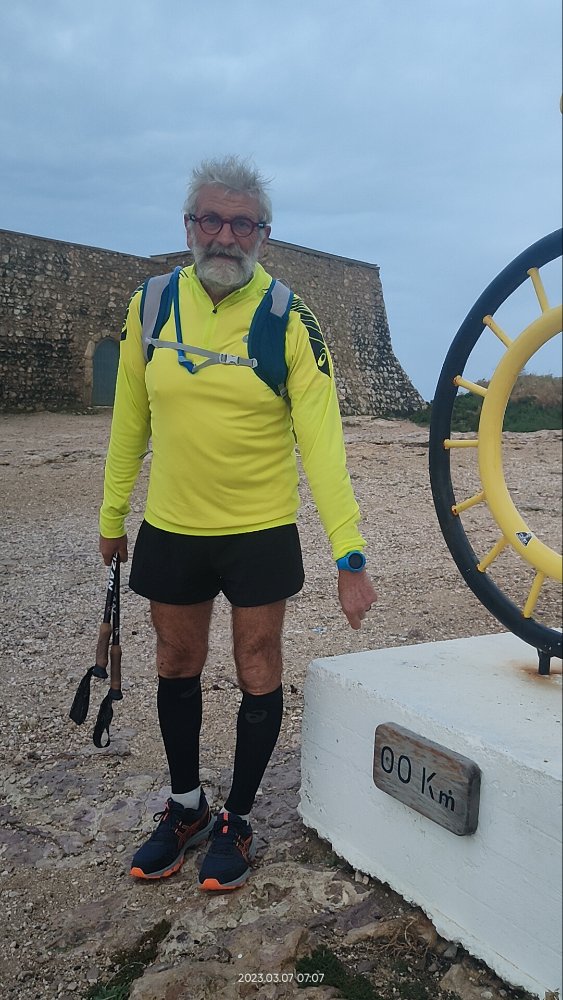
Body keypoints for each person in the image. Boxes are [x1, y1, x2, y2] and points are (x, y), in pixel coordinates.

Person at [99, 155, 377, 892]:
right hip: (172, 526)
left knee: (258, 666)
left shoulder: (289, 318)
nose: (225, 236)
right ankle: (187, 806)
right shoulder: (150, 305)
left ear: (264, 234)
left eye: (242, 224)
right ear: (189, 226)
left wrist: (349, 554)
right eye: (212, 220)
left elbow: (322, 443)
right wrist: (111, 515)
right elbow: (129, 418)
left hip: (259, 529)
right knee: (175, 662)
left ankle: (240, 818)